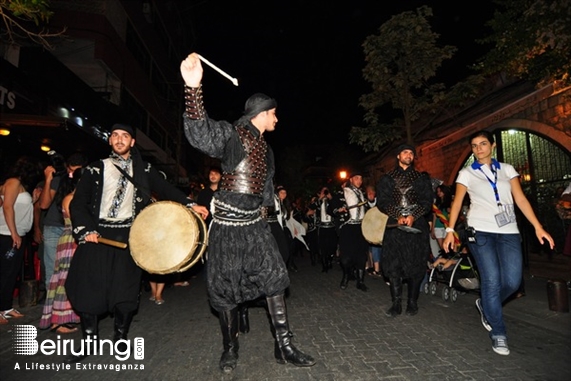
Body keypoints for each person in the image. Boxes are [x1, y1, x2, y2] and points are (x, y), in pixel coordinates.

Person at [180, 52, 315, 373]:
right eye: (274, 115)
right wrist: (193, 88)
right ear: (262, 114)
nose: (277, 120)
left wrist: (272, 224)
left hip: (256, 226)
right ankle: (230, 348)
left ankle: (284, 346)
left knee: (274, 277)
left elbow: (266, 190)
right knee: (224, 287)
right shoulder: (232, 135)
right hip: (227, 227)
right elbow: (201, 134)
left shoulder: (267, 149)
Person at [65, 123, 208, 363]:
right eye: (115, 136)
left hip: (130, 237)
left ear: (132, 142)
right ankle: (89, 340)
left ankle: (120, 337)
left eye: (125, 136)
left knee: (126, 291)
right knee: (88, 288)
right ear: (110, 141)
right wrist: (86, 229)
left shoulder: (144, 169)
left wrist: (191, 204)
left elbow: (165, 188)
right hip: (97, 235)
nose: (120, 139)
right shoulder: (95, 169)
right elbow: (78, 203)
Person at [443, 130, 554, 356]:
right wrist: (449, 230)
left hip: (509, 231)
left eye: (483, 144)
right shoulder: (466, 173)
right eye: (474, 146)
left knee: (513, 282)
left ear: (492, 146)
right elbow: (457, 203)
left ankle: (486, 306)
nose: (478, 148)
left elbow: (520, 199)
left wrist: (538, 226)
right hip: (480, 231)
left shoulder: (507, 170)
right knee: (491, 281)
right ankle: (499, 333)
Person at [376, 144, 433, 317]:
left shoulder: (421, 178)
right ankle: (396, 304)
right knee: (394, 264)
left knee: (416, 263)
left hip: (416, 225)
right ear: (398, 156)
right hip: (395, 226)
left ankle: (412, 302)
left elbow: (427, 201)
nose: (409, 155)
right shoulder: (387, 178)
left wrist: (413, 215)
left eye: (411, 153)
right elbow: (383, 202)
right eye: (405, 152)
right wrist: (397, 215)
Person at [39, 168, 82, 333]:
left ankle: (66, 317)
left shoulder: (78, 198)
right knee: (62, 279)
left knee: (70, 279)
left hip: (74, 240)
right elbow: (76, 222)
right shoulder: (71, 199)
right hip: (71, 240)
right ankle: (58, 320)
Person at [38, 152, 88, 293]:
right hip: (54, 228)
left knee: (73, 271)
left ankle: (68, 309)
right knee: (52, 271)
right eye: (69, 170)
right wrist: (48, 180)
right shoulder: (59, 180)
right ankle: (51, 308)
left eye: (75, 171)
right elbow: (43, 205)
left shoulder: (88, 184)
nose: (71, 174)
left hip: (75, 230)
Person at [0, 156, 41, 324]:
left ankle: (6, 307)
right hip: (6, 234)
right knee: (4, 272)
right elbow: (8, 206)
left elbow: (21, 208)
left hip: (19, 234)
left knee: (12, 272)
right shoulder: (13, 182)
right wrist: (13, 232)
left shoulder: (20, 185)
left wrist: (34, 200)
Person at [336, 172, 369, 291]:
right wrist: (339, 210)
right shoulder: (343, 192)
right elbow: (332, 207)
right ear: (351, 179)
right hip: (348, 227)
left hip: (360, 227)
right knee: (345, 257)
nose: (359, 181)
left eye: (361, 178)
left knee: (361, 255)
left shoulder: (362, 193)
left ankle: (360, 281)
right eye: (357, 178)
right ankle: (345, 276)